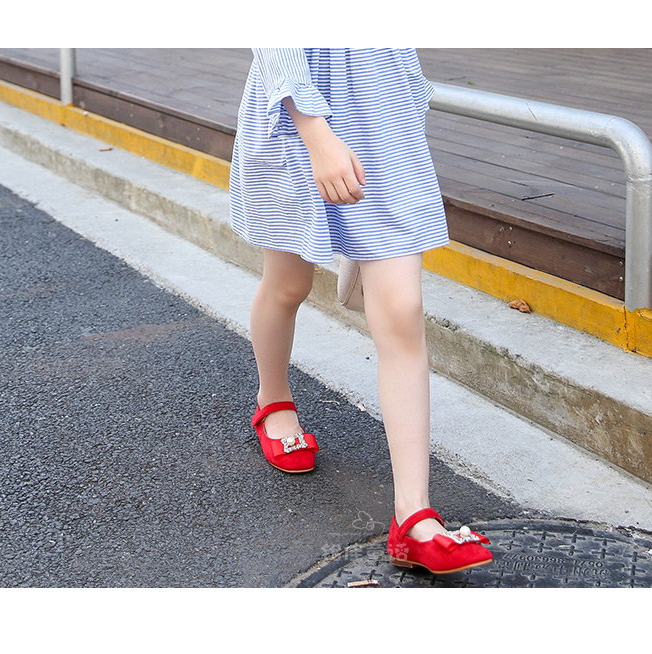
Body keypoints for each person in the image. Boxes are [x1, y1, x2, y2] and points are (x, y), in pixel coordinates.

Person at [229, 48, 491, 574]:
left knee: (403, 311)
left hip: (383, 115)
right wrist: (316, 133)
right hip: (296, 119)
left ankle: (413, 516)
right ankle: (273, 402)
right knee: (288, 286)